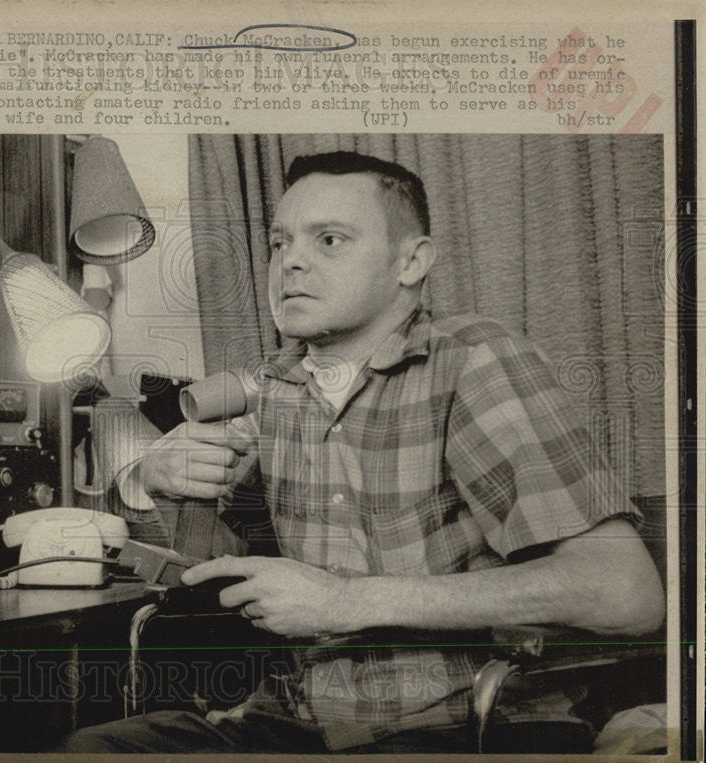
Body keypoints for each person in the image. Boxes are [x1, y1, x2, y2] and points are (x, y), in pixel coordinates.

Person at [59, 152, 665, 754]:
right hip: (292, 723)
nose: (290, 261)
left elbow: (623, 593)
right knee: (92, 750)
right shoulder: (279, 388)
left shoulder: (474, 361)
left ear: (412, 262)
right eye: (279, 242)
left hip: (461, 726)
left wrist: (345, 600)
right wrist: (165, 485)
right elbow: (216, 567)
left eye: (329, 240)